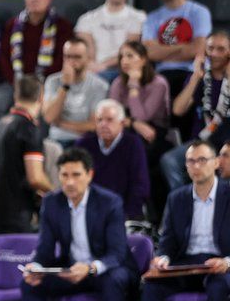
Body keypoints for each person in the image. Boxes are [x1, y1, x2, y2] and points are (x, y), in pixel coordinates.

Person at [19, 147, 132, 301]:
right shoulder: (52, 202)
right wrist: (36, 267)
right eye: (64, 175)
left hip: (105, 270)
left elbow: (118, 252)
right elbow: (45, 249)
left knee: (115, 280)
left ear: (89, 174)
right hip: (71, 270)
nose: (70, 182)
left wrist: (91, 268)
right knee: (31, 285)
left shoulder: (109, 202)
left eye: (76, 175)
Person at [136, 140, 230, 301]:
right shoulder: (177, 198)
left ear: (216, 163)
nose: (196, 166)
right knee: (151, 287)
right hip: (186, 264)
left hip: (218, 265)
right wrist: (163, 259)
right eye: (190, 161)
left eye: (202, 160)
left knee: (221, 286)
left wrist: (227, 262)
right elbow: (167, 241)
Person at [0, 0, 73, 129]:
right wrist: (17, 84)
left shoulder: (62, 26)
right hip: (15, 82)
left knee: (44, 109)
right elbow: (4, 58)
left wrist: (37, 84)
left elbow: (61, 60)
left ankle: (36, 147)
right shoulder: (13, 25)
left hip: (46, 83)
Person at [162, 31, 230, 191]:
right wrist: (195, 77)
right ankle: (185, 202)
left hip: (226, 143)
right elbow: (178, 110)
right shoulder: (201, 78)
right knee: (169, 160)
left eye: (221, 49)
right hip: (201, 142)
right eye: (210, 48)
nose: (214, 54)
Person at [0, 75, 51, 234]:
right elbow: (35, 178)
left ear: (16, 95)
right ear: (41, 97)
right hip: (16, 215)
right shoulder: (28, 128)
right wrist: (58, 192)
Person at [142, 0, 212, 103]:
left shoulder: (199, 12)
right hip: (162, 76)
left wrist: (162, 51)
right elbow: (150, 52)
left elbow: (198, 49)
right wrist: (182, 47)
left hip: (192, 73)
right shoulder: (151, 18)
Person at [76, 100, 151, 222]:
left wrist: (126, 216)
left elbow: (140, 185)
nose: (103, 124)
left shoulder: (133, 144)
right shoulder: (83, 144)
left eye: (109, 120)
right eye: (99, 120)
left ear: (122, 123)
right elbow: (77, 183)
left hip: (124, 212)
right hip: (90, 212)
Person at [74, 0, 146, 82]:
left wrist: (104, 65)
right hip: (93, 71)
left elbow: (130, 50)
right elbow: (86, 51)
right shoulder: (86, 19)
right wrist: (94, 66)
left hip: (124, 70)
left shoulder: (139, 17)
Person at [108, 40, 172, 172]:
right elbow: (112, 117)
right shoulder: (118, 83)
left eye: (130, 56)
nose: (124, 61)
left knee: (135, 146)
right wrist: (133, 124)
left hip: (155, 131)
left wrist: (133, 86)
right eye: (121, 57)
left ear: (143, 60)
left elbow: (142, 117)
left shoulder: (159, 83)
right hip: (126, 127)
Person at [42, 38, 109, 145]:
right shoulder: (52, 81)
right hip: (56, 140)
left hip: (85, 141)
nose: (72, 61)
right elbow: (49, 118)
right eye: (68, 56)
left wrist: (61, 124)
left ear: (88, 58)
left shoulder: (100, 85)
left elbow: (93, 126)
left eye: (77, 57)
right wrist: (65, 86)